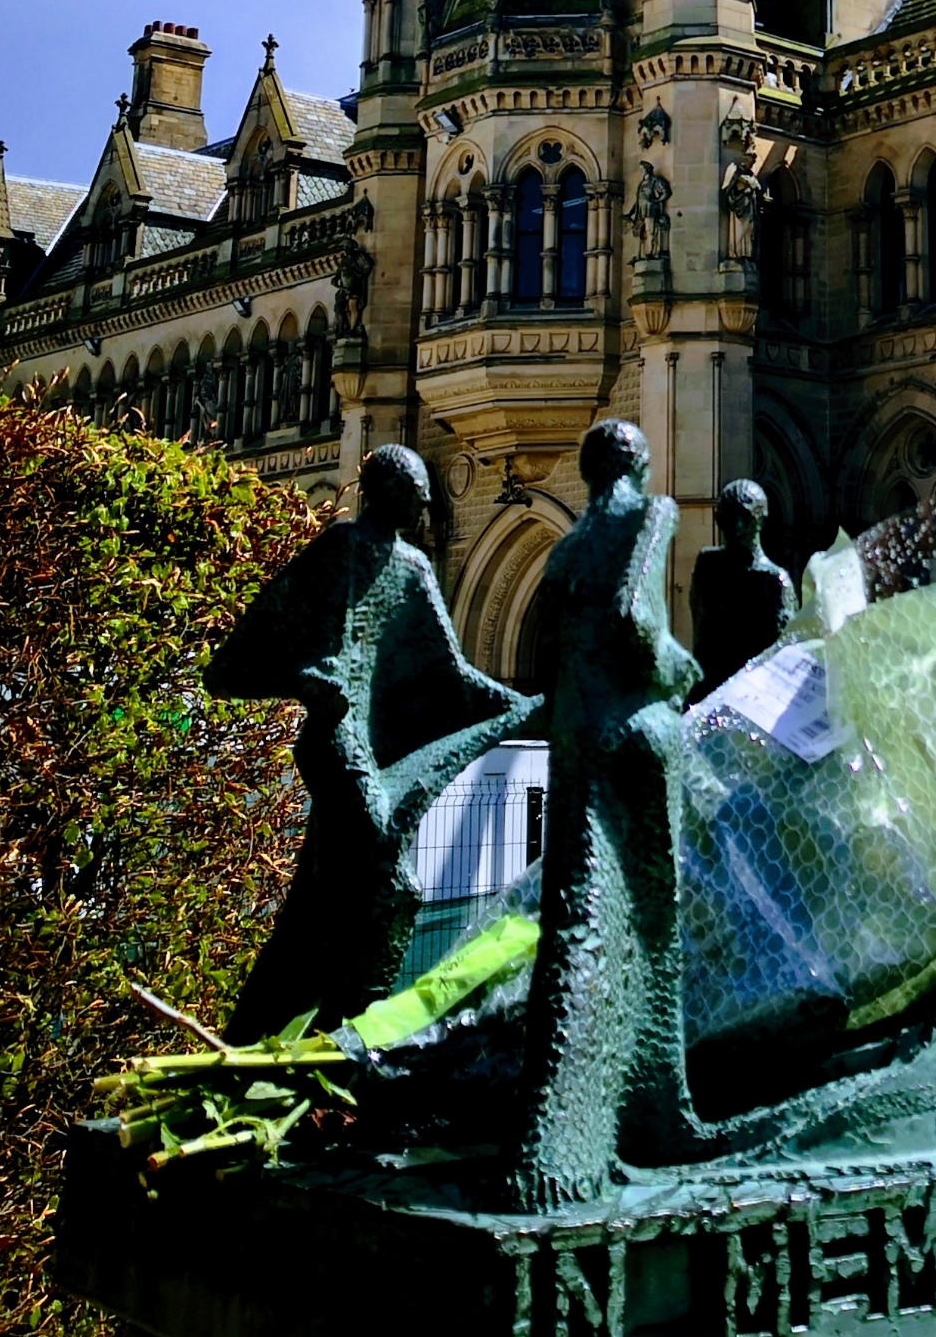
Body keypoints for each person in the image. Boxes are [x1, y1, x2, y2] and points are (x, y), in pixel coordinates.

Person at [206, 444, 533, 1039]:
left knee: (317, 907)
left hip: (371, 750)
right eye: (417, 496)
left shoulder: (414, 567)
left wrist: (525, 707)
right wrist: (306, 680)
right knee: (389, 884)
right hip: (337, 743)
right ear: (389, 492)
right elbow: (247, 650)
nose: (425, 507)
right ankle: (352, 1032)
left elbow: (452, 676)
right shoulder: (341, 549)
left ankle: (256, 1033)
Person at [511, 420, 704, 1208]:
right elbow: (633, 617)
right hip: (634, 736)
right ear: (641, 465)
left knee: (577, 914)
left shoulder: (561, 552)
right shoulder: (650, 513)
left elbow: (565, 648)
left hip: (575, 739)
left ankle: (568, 1116)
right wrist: (676, 666)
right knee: (651, 918)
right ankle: (651, 1103)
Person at [687, 478, 796, 698]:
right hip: (710, 693)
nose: (736, 527)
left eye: (745, 517)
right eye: (727, 518)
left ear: (761, 519)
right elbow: (701, 639)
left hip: (754, 697)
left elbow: (781, 656)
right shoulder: (707, 565)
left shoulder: (774, 581)